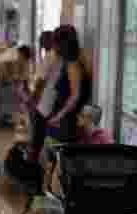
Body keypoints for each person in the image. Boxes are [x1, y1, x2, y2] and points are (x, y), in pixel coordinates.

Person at [44, 25, 92, 145]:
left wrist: (58, 117)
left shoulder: (73, 65)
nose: (53, 46)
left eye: (55, 42)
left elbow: (75, 96)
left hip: (68, 124)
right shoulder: (80, 57)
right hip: (70, 120)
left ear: (61, 44)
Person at [26, 30, 61, 163]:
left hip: (44, 105)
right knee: (47, 137)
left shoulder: (49, 56)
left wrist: (32, 100)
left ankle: (31, 168)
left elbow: (41, 82)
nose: (40, 43)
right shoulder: (59, 56)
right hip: (54, 104)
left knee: (36, 139)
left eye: (42, 40)